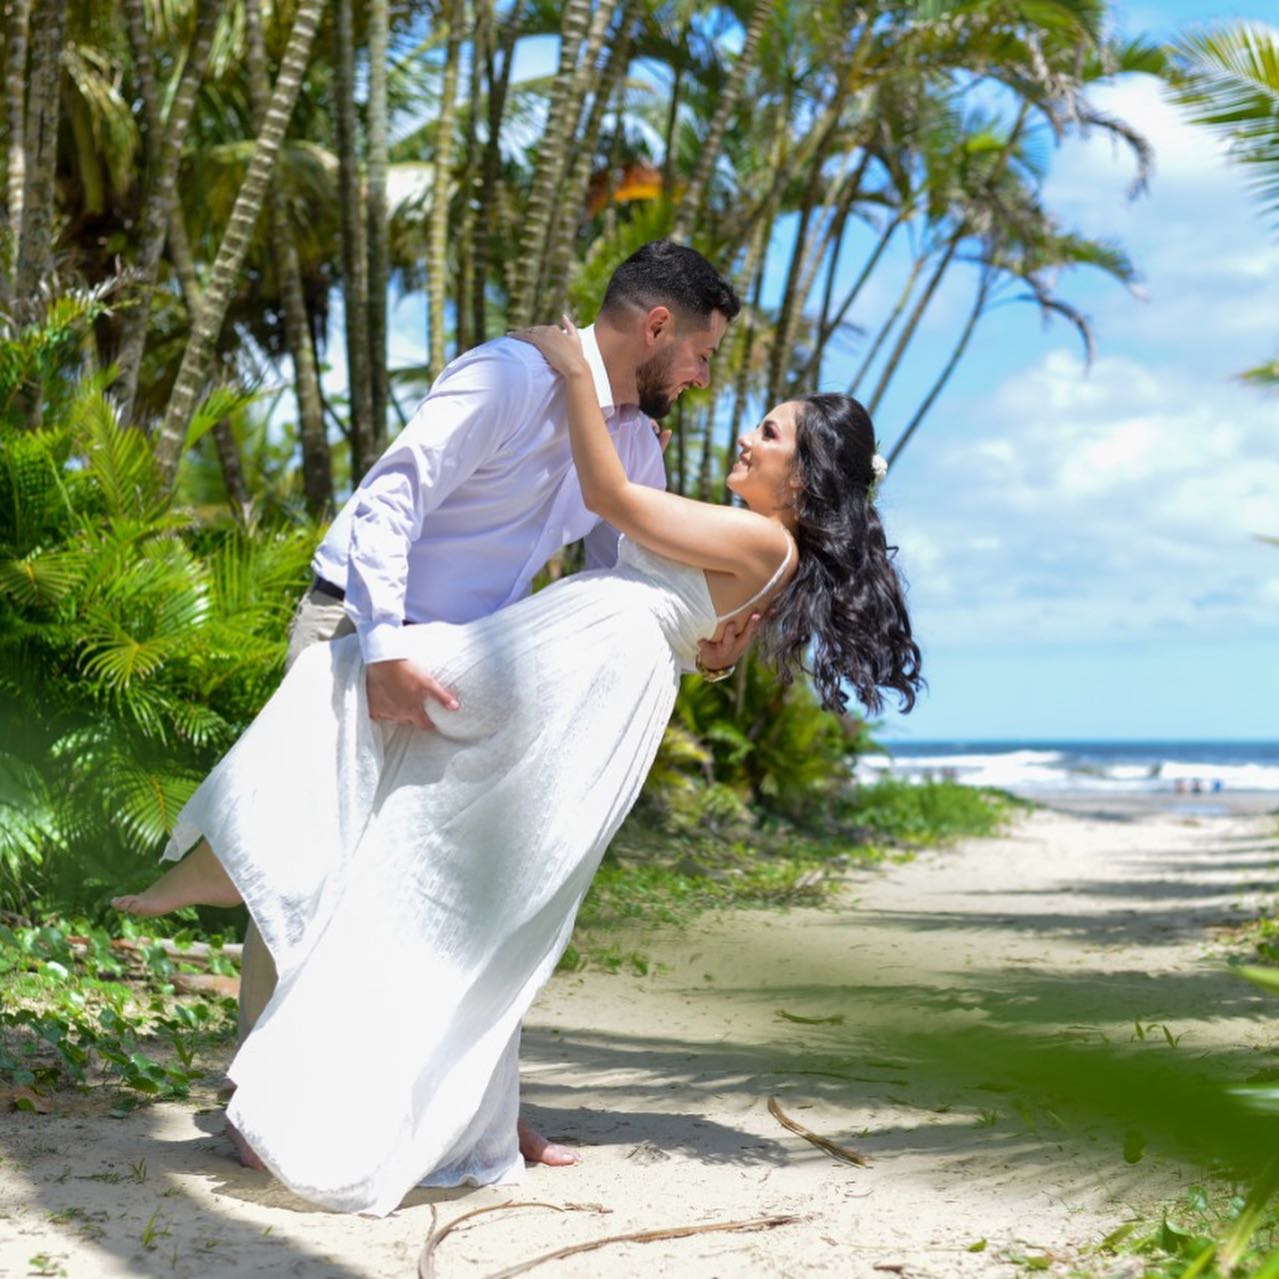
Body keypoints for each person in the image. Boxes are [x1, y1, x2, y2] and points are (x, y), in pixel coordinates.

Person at [113, 318, 922, 1217]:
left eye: (769, 433)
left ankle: (230, 860)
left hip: (582, 669)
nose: (744, 433)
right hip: (592, 666)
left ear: (802, 480)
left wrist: (578, 374)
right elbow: (680, 609)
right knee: (442, 853)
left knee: (357, 688)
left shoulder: (763, 544)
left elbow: (611, 500)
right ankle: (247, 879)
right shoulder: (761, 545)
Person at [234, 240, 751, 1169]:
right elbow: (390, 501)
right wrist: (384, 649)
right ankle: (254, 1107)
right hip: (360, 630)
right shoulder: (509, 375)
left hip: (472, 669)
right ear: (659, 327)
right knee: (310, 861)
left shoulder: (631, 441)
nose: (703, 377)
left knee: (445, 891)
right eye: (702, 355)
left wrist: (698, 650)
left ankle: (464, 1105)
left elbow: (623, 588)